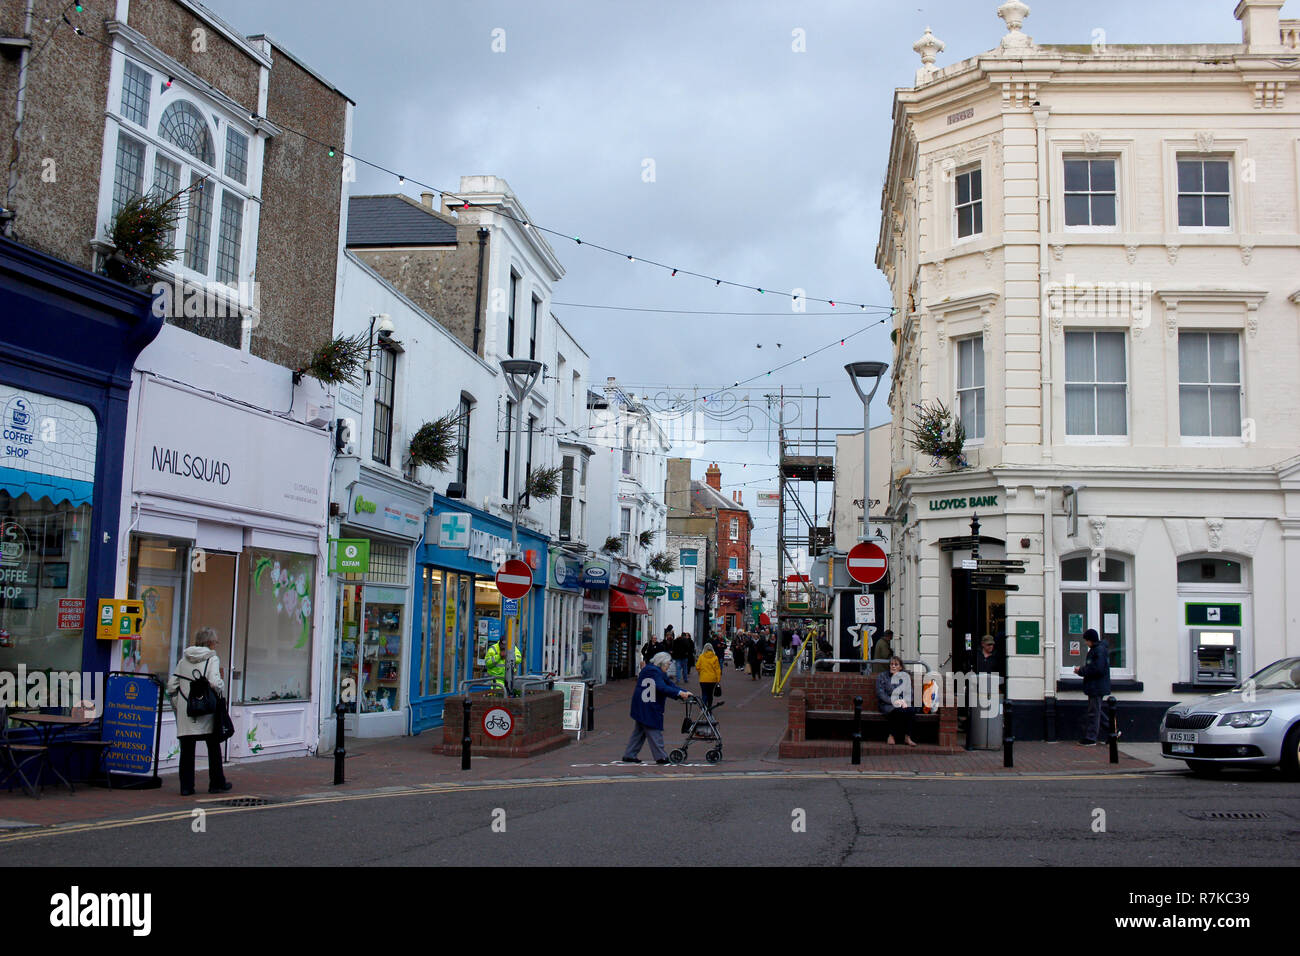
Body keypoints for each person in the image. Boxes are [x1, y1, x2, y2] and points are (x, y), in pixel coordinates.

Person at [166, 627, 233, 796]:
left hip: (186, 710)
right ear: (210, 642)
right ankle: (217, 783)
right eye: (215, 641)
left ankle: (186, 787)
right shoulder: (212, 659)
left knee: (187, 749)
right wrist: (222, 683)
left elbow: (171, 686)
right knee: (213, 746)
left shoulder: (184, 659)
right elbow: (215, 683)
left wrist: (178, 702)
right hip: (206, 710)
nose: (215, 644)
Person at [623, 652, 693, 764]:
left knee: (640, 731)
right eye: (667, 665)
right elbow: (662, 687)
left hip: (643, 705)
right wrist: (679, 693)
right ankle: (661, 757)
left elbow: (670, 685)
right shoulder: (654, 672)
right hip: (648, 706)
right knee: (654, 729)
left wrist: (684, 692)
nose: (668, 667)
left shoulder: (653, 670)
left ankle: (630, 754)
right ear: (661, 663)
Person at [1074, 628, 1111, 745]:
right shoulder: (1097, 650)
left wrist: (1081, 670)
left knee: (1093, 712)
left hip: (1096, 686)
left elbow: (1097, 669)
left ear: (1091, 640)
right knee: (1097, 710)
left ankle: (1091, 738)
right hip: (1096, 685)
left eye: (1086, 640)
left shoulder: (1098, 651)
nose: (1086, 643)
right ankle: (1113, 731)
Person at [876, 655, 917, 746]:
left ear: (901, 667)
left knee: (911, 710)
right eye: (891, 664)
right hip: (887, 704)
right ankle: (891, 736)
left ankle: (908, 737)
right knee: (898, 710)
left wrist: (903, 701)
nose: (893, 666)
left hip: (902, 703)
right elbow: (881, 694)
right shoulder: (882, 676)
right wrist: (894, 701)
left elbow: (910, 694)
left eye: (896, 664)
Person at [696, 640, 722, 711]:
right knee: (710, 694)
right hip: (712, 679)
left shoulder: (701, 656)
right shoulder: (715, 657)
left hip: (703, 679)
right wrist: (718, 679)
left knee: (704, 694)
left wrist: (700, 672)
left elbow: (697, 666)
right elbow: (717, 669)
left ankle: (703, 708)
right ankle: (709, 707)